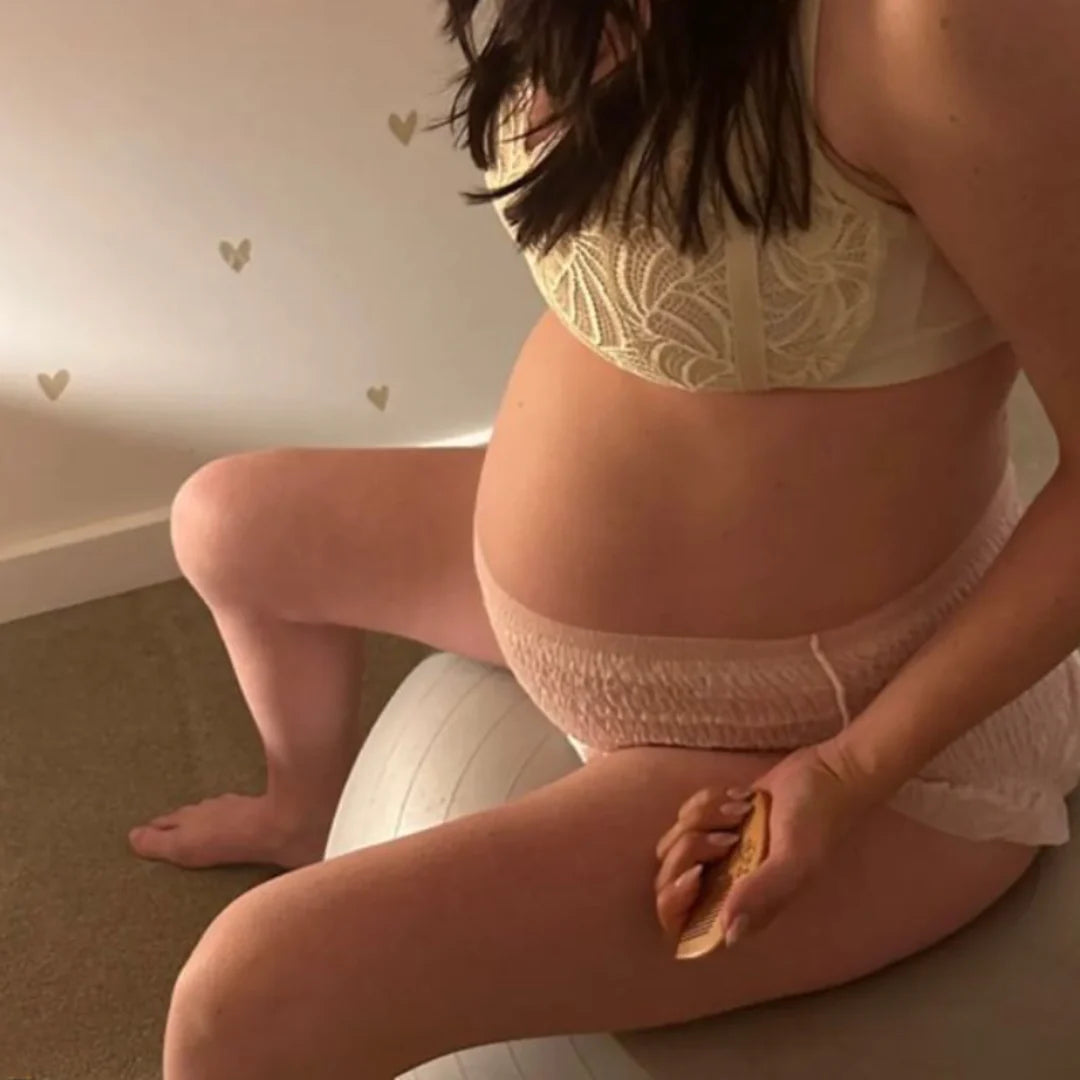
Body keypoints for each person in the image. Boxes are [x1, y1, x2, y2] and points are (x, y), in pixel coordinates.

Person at [141, 1, 1080, 1077]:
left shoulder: (949, 27)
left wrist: (848, 770)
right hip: (604, 621)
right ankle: (303, 813)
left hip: (836, 731)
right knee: (225, 522)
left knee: (244, 995)